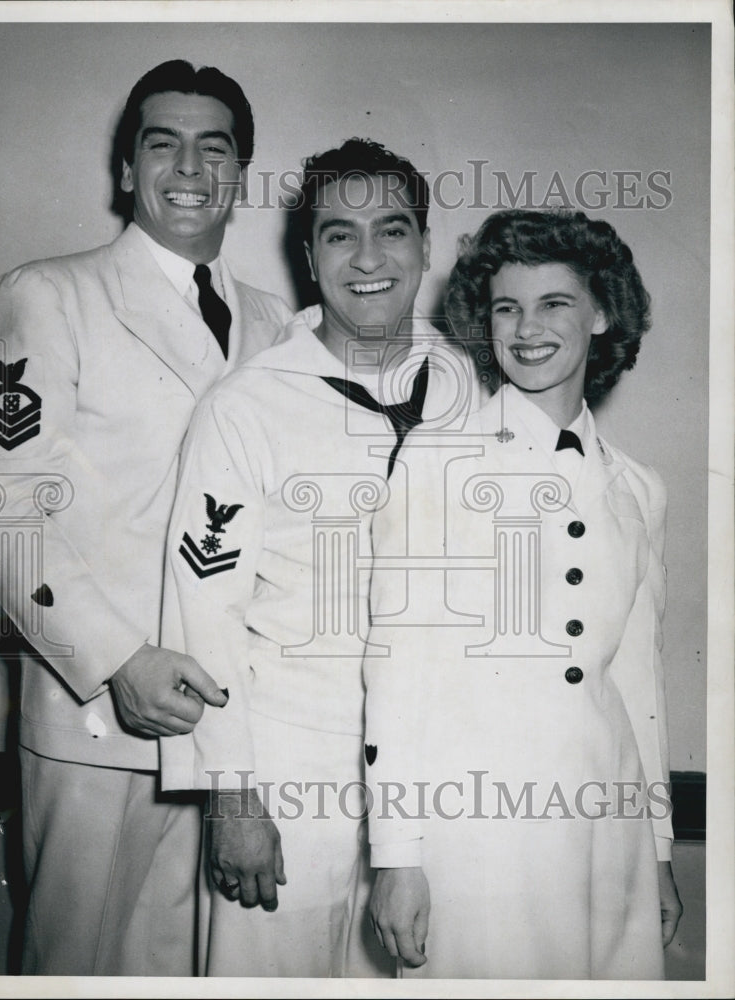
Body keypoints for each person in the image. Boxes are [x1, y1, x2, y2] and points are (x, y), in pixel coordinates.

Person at [0, 59, 292, 976]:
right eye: (162, 142)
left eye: (212, 146)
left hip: (243, 734)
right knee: (82, 967)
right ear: (125, 170)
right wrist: (113, 663)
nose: (188, 166)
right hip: (103, 723)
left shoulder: (280, 327)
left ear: (241, 176)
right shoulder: (47, 295)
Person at [158, 138, 483, 976]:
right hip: (290, 762)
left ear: (423, 245)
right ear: (308, 256)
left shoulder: (464, 387)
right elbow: (203, 613)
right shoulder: (245, 407)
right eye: (340, 234)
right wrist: (231, 794)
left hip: (433, 765)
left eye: (392, 229)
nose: (369, 257)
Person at [363, 208, 683, 979]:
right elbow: (397, 667)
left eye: (553, 304)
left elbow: (637, 682)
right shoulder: (437, 464)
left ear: (601, 312)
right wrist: (396, 855)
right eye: (506, 307)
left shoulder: (637, 488)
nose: (526, 328)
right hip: (479, 835)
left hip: (608, 833)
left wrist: (659, 845)